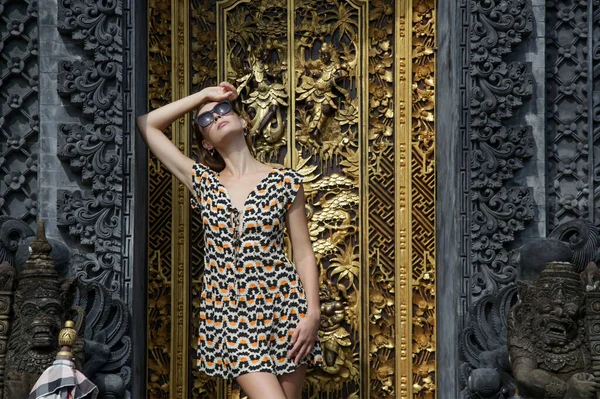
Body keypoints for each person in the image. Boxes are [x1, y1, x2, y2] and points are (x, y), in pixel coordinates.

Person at [136, 81, 324, 398]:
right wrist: (205, 96)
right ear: (206, 143)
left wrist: (313, 315)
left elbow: (303, 254)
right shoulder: (204, 183)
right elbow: (147, 125)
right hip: (232, 314)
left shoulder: (285, 181)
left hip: (287, 310)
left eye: (223, 109)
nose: (217, 116)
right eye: (205, 120)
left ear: (243, 121)